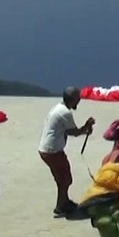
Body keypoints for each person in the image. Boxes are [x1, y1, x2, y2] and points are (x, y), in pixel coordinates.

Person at [37, 86, 95, 217]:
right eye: (78, 98)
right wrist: (86, 127)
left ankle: (64, 201)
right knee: (66, 179)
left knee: (61, 179)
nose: (79, 100)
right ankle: (60, 206)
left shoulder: (58, 108)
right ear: (72, 99)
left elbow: (68, 131)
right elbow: (74, 132)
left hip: (46, 149)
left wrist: (85, 128)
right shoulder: (65, 112)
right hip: (53, 151)